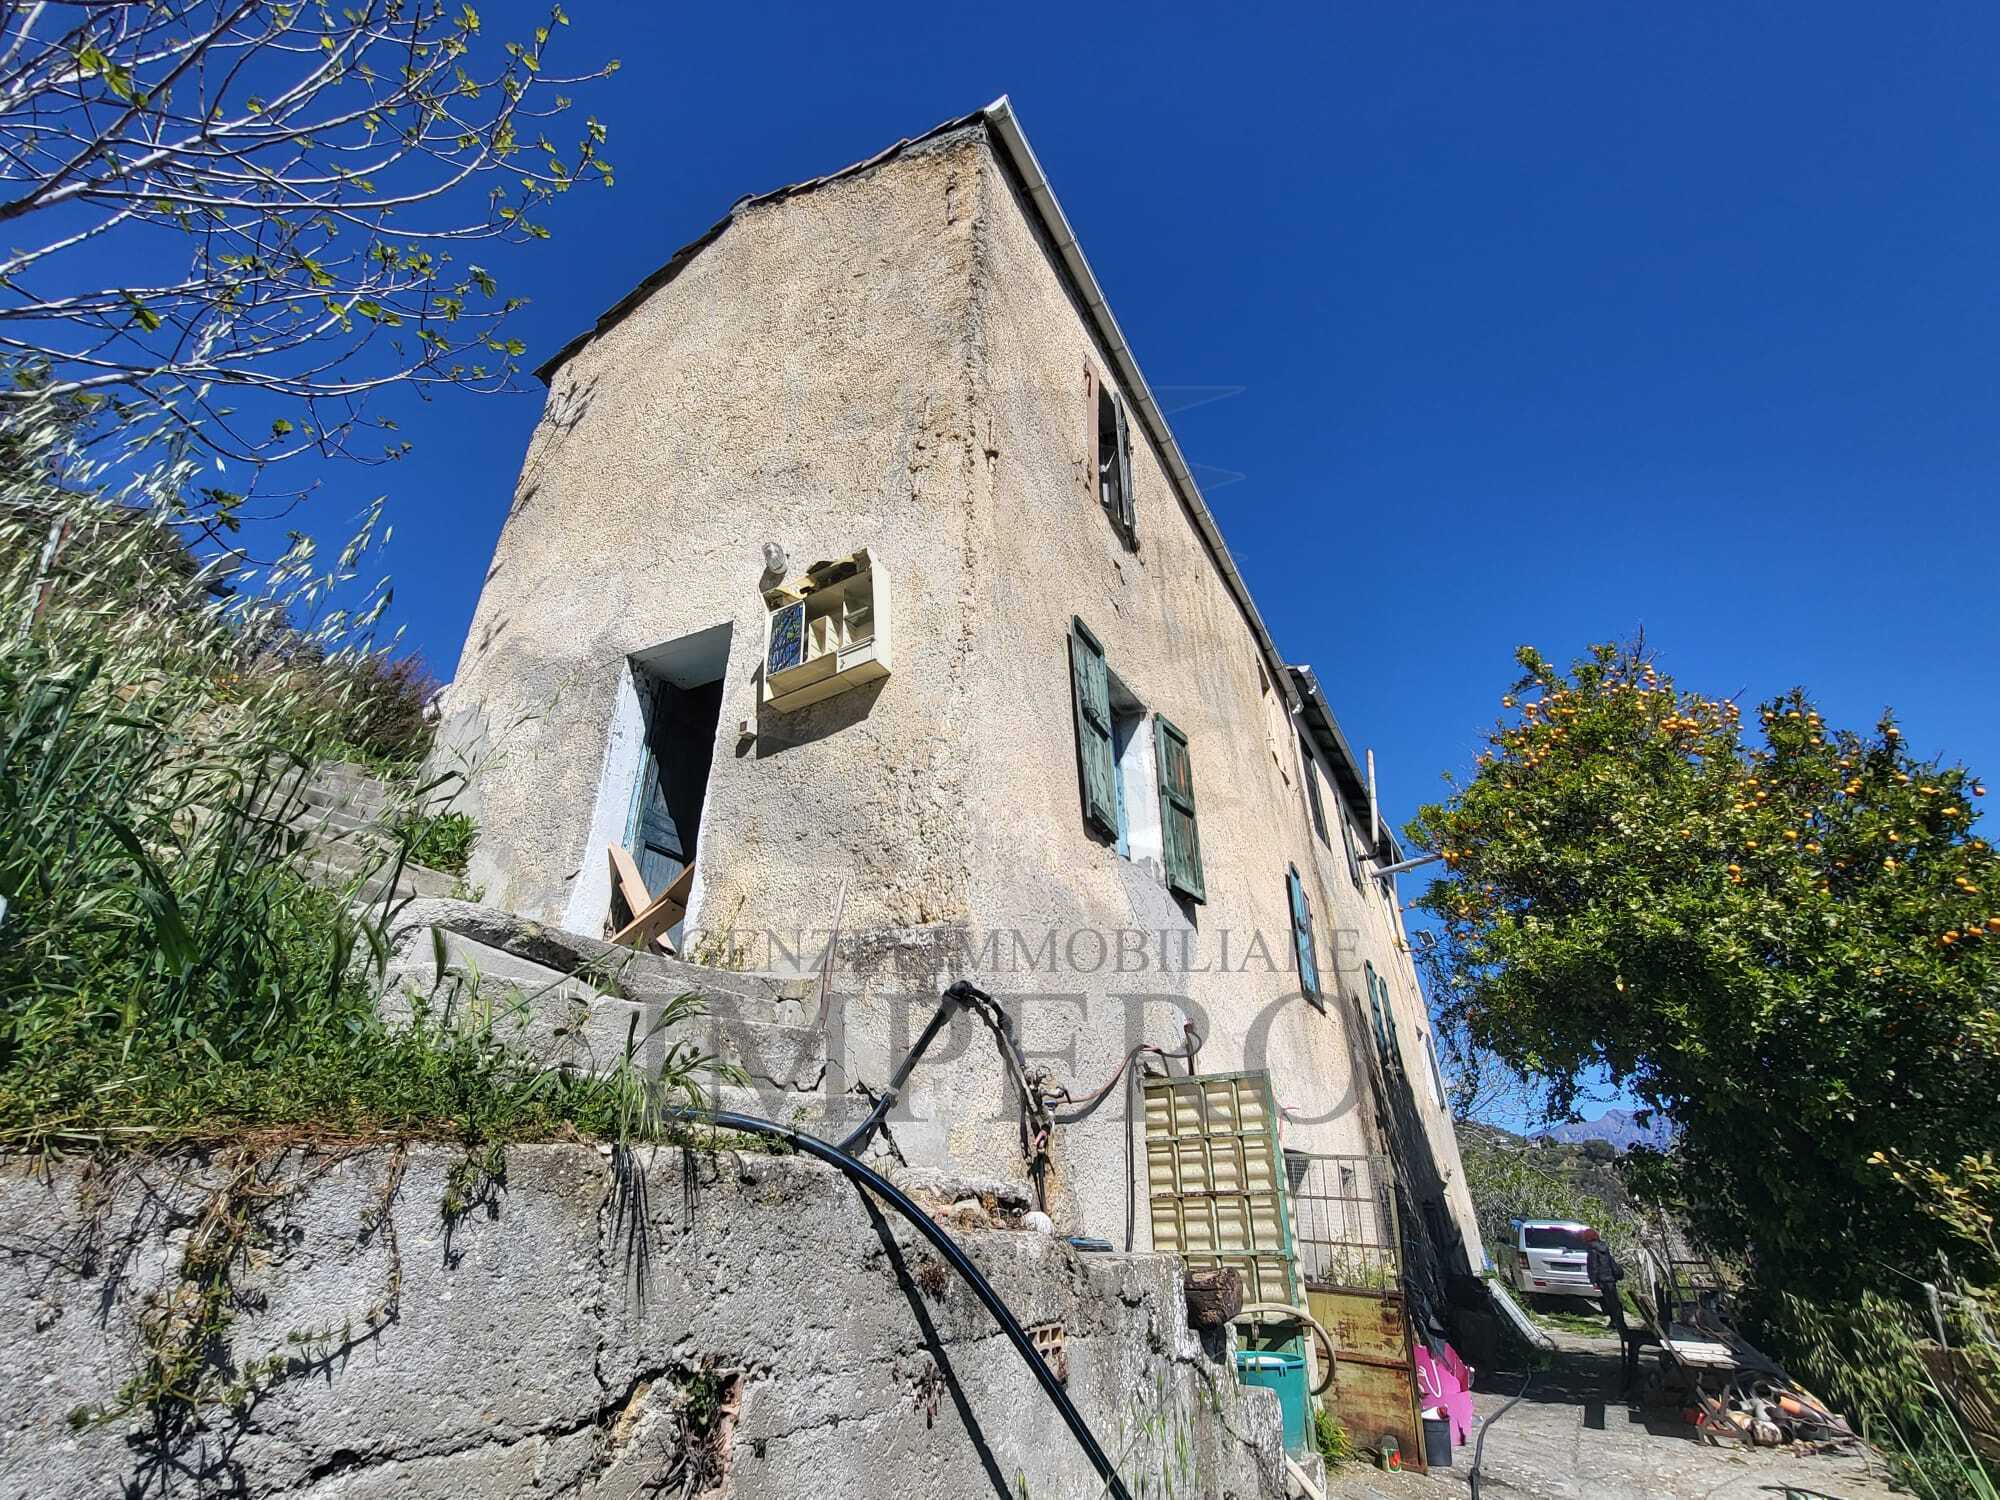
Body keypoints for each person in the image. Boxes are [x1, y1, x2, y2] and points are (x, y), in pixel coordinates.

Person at [1579, 1227, 1626, 1335]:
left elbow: (1594, 1265)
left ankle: (1616, 1323)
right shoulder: (1604, 1247)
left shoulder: (1592, 1249)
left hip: (1602, 1278)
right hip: (1610, 1278)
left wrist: (1593, 1280)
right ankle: (1618, 1322)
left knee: (1609, 1302)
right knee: (1614, 1302)